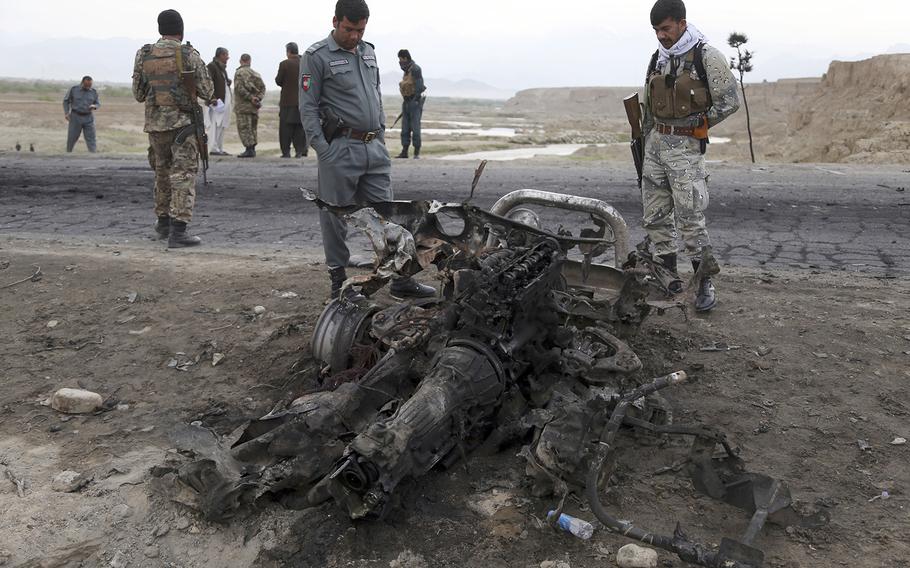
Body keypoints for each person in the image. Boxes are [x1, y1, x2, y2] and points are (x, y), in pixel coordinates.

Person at [300, 0, 435, 299]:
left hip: (373, 148)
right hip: (340, 149)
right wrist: (323, 149)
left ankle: (400, 279)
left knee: (388, 216)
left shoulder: (368, 51)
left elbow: (375, 93)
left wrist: (382, 135)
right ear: (335, 21)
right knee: (336, 218)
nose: (355, 36)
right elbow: (308, 108)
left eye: (360, 30)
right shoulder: (316, 56)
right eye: (349, 29)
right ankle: (339, 284)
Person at [640, 0, 739, 312]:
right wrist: (644, 141)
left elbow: (729, 101)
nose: (661, 35)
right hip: (656, 147)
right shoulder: (659, 58)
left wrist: (699, 123)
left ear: (682, 23)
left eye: (666, 28)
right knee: (655, 215)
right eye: (656, 30)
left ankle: (703, 281)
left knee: (690, 217)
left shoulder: (705, 55)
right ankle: (667, 276)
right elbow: (649, 102)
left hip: (685, 149)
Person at [132, 9, 214, 248]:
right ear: (181, 30)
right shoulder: (188, 54)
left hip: (156, 128)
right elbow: (208, 92)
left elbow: (138, 94)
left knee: (162, 173)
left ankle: (163, 224)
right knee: (183, 175)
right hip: (183, 128)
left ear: (160, 29)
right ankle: (178, 232)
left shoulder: (144, 54)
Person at [275, 42, 308, 158]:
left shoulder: (284, 64)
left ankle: (286, 152)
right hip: (302, 101)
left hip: (287, 102)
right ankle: (299, 151)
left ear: (288, 52)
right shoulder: (305, 63)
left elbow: (279, 81)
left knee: (285, 129)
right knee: (299, 128)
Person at [394, 49, 426, 159]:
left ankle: (416, 153)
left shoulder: (415, 69)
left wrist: (415, 101)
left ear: (405, 58)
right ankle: (405, 152)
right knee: (405, 128)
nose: (400, 61)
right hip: (406, 101)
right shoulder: (406, 71)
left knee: (415, 128)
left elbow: (419, 85)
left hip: (414, 102)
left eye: (401, 59)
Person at [234, 54, 266, 158]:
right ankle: (252, 149)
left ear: (241, 61)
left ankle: (249, 149)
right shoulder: (256, 74)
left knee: (244, 128)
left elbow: (239, 89)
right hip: (254, 107)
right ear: (249, 61)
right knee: (252, 128)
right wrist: (258, 98)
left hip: (243, 106)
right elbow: (262, 88)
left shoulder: (239, 73)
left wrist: (250, 97)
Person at [205, 47, 232, 156]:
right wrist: (212, 98)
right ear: (220, 55)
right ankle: (213, 148)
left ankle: (219, 147)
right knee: (214, 125)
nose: (228, 57)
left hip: (223, 103)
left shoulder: (222, 69)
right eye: (226, 55)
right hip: (216, 103)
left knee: (221, 125)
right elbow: (208, 83)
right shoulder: (212, 66)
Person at [63, 76, 100, 153]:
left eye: (90, 85)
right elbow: (66, 101)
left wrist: (95, 106)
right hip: (75, 117)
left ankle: (93, 155)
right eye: (87, 85)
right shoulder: (74, 89)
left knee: (91, 138)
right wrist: (66, 113)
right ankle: (68, 154)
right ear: (82, 83)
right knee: (72, 137)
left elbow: (97, 103)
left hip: (88, 117)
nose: (88, 87)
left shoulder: (93, 92)